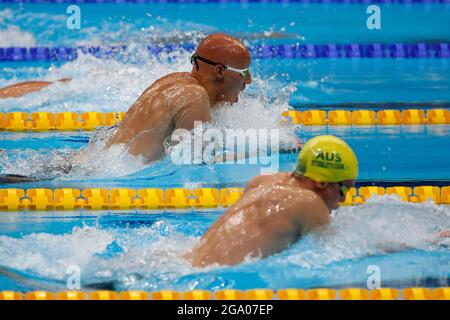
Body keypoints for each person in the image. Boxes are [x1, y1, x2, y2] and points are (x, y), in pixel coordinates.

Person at [187, 135, 358, 267]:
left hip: (189, 262)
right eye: (344, 189)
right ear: (321, 182)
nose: (343, 199)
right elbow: (333, 252)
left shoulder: (261, 182)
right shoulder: (310, 203)